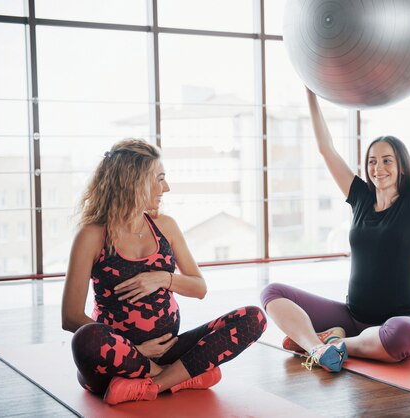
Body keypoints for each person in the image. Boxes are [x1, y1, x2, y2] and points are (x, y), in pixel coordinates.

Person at [260, 43, 410, 372]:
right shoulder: (360, 196)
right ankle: (321, 346)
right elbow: (325, 148)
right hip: (352, 316)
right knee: (272, 292)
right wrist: (311, 91)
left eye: (387, 161)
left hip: (401, 319)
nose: (378, 168)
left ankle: (335, 344)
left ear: (401, 166)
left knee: (401, 337)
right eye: (372, 161)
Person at [62, 139, 267, 405]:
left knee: (254, 318)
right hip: (115, 361)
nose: (166, 188)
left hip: (169, 350)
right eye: (159, 179)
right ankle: (178, 377)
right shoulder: (91, 235)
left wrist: (162, 278)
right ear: (133, 181)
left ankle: (156, 384)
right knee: (86, 340)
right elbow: (70, 317)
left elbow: (199, 288)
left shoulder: (166, 227)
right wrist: (134, 351)